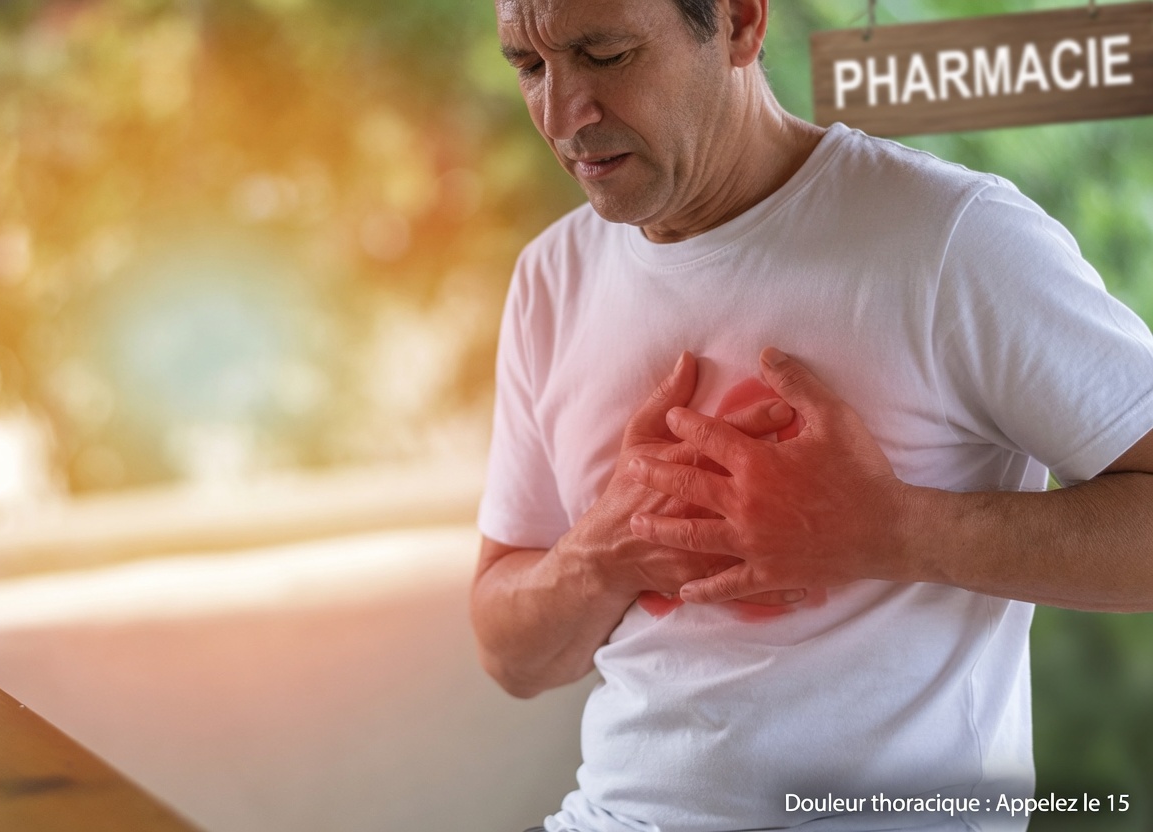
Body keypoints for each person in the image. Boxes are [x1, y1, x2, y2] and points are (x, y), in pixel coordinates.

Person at [470, 0, 1153, 829]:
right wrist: (606, 553)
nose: (561, 115)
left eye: (606, 54)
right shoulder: (550, 279)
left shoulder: (951, 239)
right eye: (529, 66)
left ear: (739, 23)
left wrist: (893, 531)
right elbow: (512, 657)